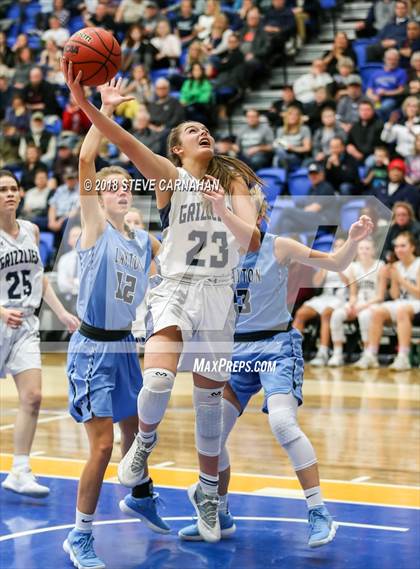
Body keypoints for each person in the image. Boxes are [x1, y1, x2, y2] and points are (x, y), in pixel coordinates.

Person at [63, 59, 260, 544]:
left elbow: (252, 241)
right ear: (176, 147)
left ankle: (209, 495)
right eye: (192, 129)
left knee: (208, 407)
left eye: (205, 128)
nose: (203, 132)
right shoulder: (169, 176)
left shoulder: (234, 183)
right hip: (174, 289)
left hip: (217, 297)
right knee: (157, 377)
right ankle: (144, 446)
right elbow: (123, 142)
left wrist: (220, 208)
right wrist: (88, 105)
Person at [177, 189, 373, 546]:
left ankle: (318, 511)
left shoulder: (278, 245)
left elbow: (336, 264)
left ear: (260, 213)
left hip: (275, 345)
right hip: (234, 350)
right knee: (211, 433)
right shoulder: (214, 253)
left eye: (243, 204)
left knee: (282, 423)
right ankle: (220, 510)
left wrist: (353, 241)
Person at [62, 79, 168, 569]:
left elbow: (171, 269)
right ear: (99, 200)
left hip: (126, 346)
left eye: (127, 186)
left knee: (138, 433)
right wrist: (101, 109)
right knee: (103, 447)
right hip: (93, 349)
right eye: (113, 188)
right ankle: (79, 536)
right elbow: (86, 164)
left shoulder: (142, 242)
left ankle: (140, 492)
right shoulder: (96, 229)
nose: (122, 191)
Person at [0, 169, 79, 498]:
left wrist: (61, 312)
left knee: (32, 398)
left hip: (26, 325)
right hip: (1, 318)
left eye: (13, 188)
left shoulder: (32, 230)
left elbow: (39, 279)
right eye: (2, 189)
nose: (9, 194)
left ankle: (19, 470)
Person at [354, 232, 420, 370]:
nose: (399, 249)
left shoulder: (418, 264)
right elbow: (395, 296)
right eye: (396, 246)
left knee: (402, 311)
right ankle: (371, 354)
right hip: (403, 302)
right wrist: (393, 279)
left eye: (403, 246)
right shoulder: (396, 265)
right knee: (377, 311)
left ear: (412, 247)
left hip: (416, 303)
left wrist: (401, 279)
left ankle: (403, 357)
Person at [293, 238, 351, 366]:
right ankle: (292, 352)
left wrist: (339, 268)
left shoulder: (351, 263)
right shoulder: (328, 263)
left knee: (326, 313)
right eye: (336, 246)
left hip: (341, 298)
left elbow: (351, 285)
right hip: (325, 297)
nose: (338, 248)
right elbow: (316, 283)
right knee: (301, 313)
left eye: (341, 246)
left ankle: (323, 352)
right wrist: (324, 268)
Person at [329, 239, 386, 366]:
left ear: (373, 251)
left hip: (373, 303)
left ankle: (368, 354)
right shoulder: (354, 267)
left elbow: (380, 296)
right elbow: (353, 294)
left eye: (367, 248)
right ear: (357, 251)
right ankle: (337, 353)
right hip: (358, 304)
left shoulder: (381, 265)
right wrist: (350, 305)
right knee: (336, 315)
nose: (364, 251)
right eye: (361, 248)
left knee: (364, 316)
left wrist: (362, 306)